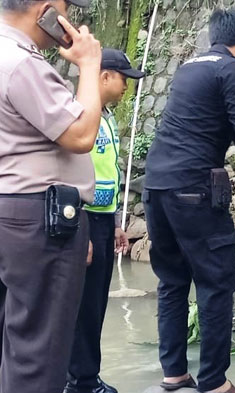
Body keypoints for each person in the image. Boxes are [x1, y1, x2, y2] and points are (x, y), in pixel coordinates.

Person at [143, 7, 235, 393]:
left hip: (157, 187)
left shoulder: (189, 68)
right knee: (216, 281)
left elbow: (218, 123)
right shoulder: (233, 69)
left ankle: (174, 375)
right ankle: (213, 382)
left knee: (173, 281)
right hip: (193, 189)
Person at [0, 1, 102, 392]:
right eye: (67, 7)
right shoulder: (21, 63)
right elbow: (80, 135)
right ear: (47, 8)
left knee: (19, 355)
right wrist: (89, 66)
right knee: (41, 362)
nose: (69, 17)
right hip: (39, 218)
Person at [64, 48, 144, 393]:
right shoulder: (79, 113)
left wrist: (112, 223)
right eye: (124, 77)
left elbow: (104, 173)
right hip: (82, 220)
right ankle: (79, 381)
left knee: (95, 303)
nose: (128, 85)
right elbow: (69, 172)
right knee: (82, 306)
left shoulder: (105, 115)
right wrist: (82, 231)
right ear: (104, 76)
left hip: (101, 220)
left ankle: (87, 376)